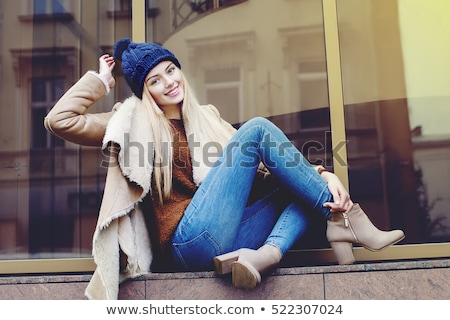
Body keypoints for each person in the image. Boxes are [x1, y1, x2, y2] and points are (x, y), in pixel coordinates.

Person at [44, 38, 405, 299]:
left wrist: (323, 173)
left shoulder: (208, 121)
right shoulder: (131, 123)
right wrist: (101, 82)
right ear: (146, 92)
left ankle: (267, 255)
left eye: (171, 71)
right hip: (187, 242)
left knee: (297, 186)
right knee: (258, 129)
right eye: (155, 80)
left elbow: (264, 174)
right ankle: (347, 221)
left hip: (229, 241)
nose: (169, 82)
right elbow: (60, 119)